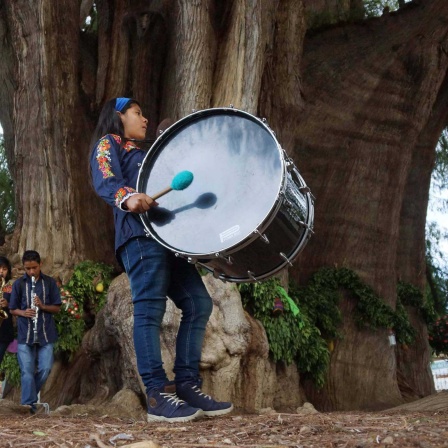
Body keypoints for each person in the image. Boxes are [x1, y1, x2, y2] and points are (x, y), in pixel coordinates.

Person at [90, 97, 233, 423]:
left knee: (199, 303)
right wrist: (126, 197)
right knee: (149, 309)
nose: (144, 118)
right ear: (119, 116)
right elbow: (104, 176)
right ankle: (156, 394)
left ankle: (186, 384)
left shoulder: (146, 153)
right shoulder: (110, 143)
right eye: (137, 113)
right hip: (139, 237)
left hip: (169, 239)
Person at [9, 250, 61, 413]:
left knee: (45, 369)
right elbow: (12, 309)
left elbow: (57, 307)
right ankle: (28, 406)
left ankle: (29, 398)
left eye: (34, 268)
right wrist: (23, 312)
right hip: (25, 335)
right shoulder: (19, 284)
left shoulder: (50, 283)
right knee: (27, 371)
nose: (31, 272)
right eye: (28, 269)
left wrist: (42, 306)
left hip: (45, 334)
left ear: (40, 265)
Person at [0, 256, 14, 368]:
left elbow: (20, 306)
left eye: (4, 269)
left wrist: (8, 305)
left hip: (4, 333)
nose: (1, 272)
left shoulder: (11, 287)